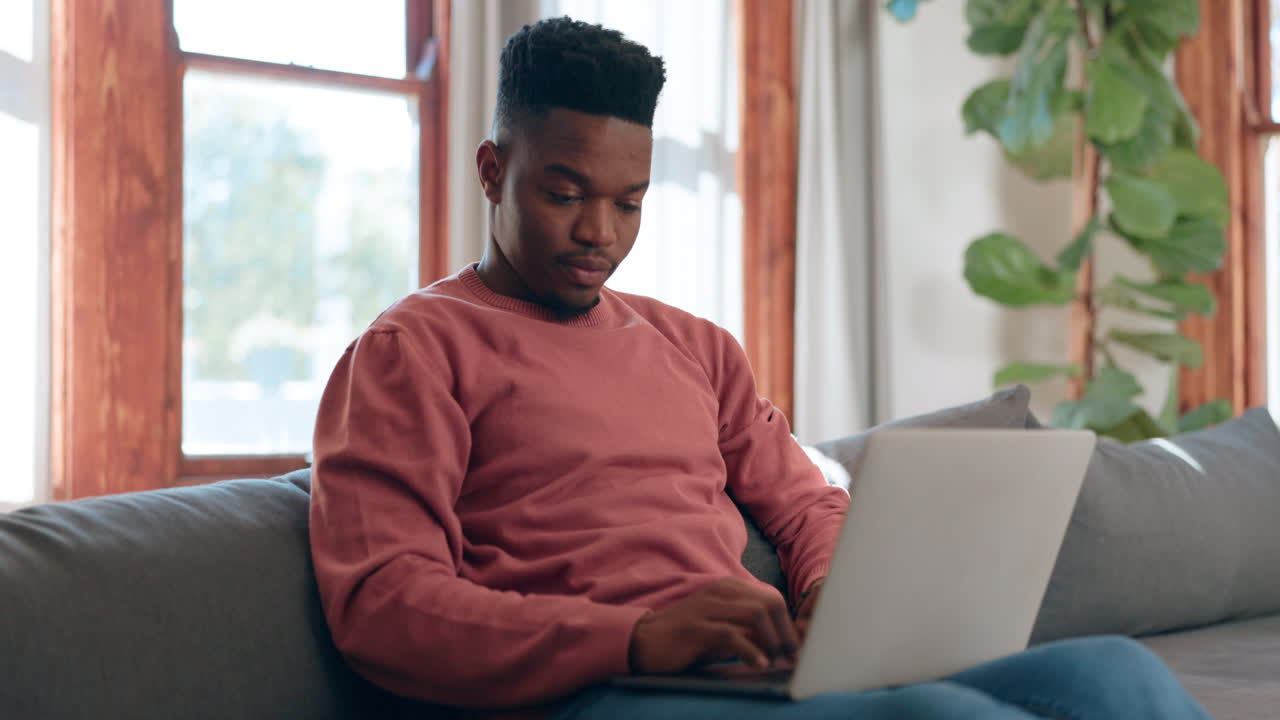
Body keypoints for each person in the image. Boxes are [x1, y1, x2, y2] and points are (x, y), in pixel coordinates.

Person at [309, 16, 1211, 720]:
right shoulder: (411, 353)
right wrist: (636, 638)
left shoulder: (694, 346)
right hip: (599, 696)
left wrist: (832, 596)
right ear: (492, 171)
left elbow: (806, 499)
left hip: (743, 678)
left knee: (1115, 674)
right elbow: (385, 606)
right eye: (565, 194)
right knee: (935, 716)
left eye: (630, 203)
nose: (600, 235)